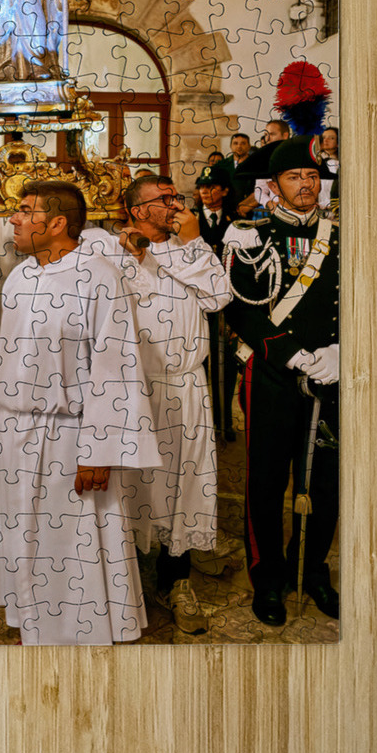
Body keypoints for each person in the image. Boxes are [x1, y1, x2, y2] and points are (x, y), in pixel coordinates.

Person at [0, 181, 161, 645]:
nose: (13, 220)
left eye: (24, 211)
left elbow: (115, 367)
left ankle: (80, 629)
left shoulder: (99, 277)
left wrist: (99, 451)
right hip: (16, 429)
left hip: (71, 435)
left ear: (57, 223)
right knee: (21, 530)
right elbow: (6, 354)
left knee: (71, 542)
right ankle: (30, 619)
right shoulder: (20, 276)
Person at [223, 135, 339, 626]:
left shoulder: (344, 233)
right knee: (267, 483)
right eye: (295, 177)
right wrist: (292, 355)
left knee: (327, 483)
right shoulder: (250, 235)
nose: (307, 184)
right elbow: (241, 313)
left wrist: (343, 348)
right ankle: (268, 578)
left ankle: (313, 571)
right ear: (274, 186)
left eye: (313, 176)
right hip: (270, 375)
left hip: (333, 376)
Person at [112, 175, 233, 633]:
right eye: (163, 200)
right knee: (136, 486)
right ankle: (122, 582)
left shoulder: (191, 245)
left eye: (175, 197)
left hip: (186, 386)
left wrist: (184, 245)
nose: (175, 205)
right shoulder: (112, 250)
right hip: (136, 389)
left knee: (186, 484)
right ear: (137, 210)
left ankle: (176, 578)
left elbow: (219, 296)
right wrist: (161, 251)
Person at [195, 162, 239, 439]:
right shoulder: (187, 219)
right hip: (196, 303)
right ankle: (203, 423)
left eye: (211, 187)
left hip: (227, 304)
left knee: (226, 363)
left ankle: (225, 422)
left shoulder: (236, 221)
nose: (206, 192)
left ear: (224, 190)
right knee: (199, 363)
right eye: (201, 187)